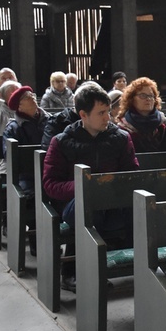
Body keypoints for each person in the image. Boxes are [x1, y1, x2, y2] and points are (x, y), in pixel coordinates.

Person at [42, 82, 139, 292]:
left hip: (112, 201)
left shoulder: (121, 138)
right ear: (83, 115)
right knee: (88, 205)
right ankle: (73, 271)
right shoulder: (61, 142)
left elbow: (132, 174)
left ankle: (139, 264)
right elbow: (50, 184)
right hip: (74, 203)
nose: (108, 117)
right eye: (101, 113)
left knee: (140, 205)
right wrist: (83, 186)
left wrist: (113, 186)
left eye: (108, 111)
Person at [3, 85, 49, 256]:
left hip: (48, 172)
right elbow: (11, 157)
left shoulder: (49, 120)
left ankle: (57, 237)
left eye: (33, 95)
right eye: (28, 97)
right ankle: (38, 242)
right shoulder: (14, 128)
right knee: (33, 197)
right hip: (27, 176)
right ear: (19, 106)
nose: (33, 98)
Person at [116, 77, 166, 153]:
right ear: (131, 99)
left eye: (151, 96)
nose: (148, 99)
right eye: (143, 95)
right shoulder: (122, 129)